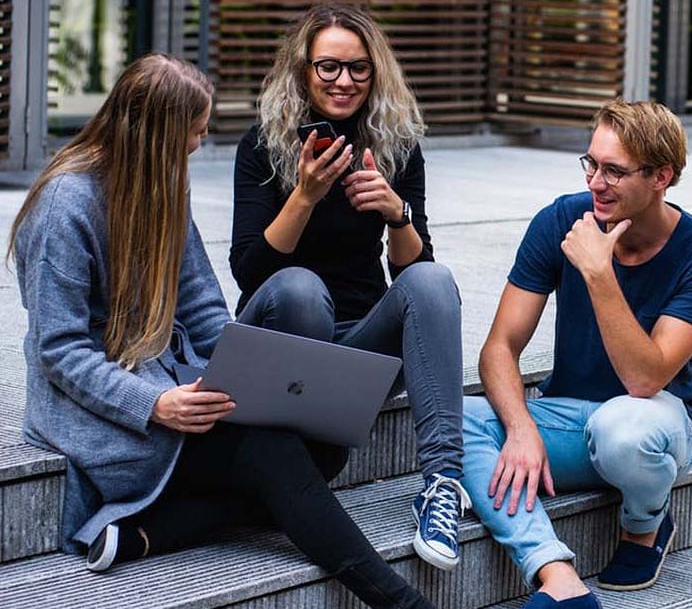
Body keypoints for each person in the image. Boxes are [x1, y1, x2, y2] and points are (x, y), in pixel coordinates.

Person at [9, 53, 433, 609]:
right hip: (99, 409)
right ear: (157, 133)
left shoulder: (162, 185)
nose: (199, 143)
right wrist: (155, 403)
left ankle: (154, 531)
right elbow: (60, 352)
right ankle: (400, 601)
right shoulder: (66, 205)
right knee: (272, 451)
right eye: (195, 130)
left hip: (173, 381)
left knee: (321, 446)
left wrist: (250, 373)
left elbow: (204, 307)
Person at [461, 100, 692, 608]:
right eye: (591, 163)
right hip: (569, 415)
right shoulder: (563, 219)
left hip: (657, 424)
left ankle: (644, 526)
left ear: (661, 176)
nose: (596, 182)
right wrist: (521, 430)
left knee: (623, 428)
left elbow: (644, 380)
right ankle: (557, 576)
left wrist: (598, 272)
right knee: (458, 419)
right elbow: (499, 347)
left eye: (614, 170)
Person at [229, 2, 468, 571]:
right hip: (282, 340)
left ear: (376, 72)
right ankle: (293, 464)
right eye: (328, 67)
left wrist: (397, 213)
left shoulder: (396, 145)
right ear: (303, 71)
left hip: (358, 350)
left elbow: (415, 276)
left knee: (434, 281)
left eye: (359, 68)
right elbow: (250, 272)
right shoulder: (262, 146)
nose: (344, 81)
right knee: (301, 289)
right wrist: (305, 195)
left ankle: (442, 486)